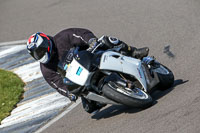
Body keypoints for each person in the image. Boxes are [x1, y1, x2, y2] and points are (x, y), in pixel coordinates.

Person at [26, 28, 149, 113]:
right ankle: (112, 94)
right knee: (89, 108)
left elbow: (82, 34)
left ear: (46, 43)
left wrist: (91, 41)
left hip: (91, 56)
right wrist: (69, 93)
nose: (40, 55)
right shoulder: (46, 69)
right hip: (80, 78)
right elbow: (58, 84)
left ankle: (133, 51)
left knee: (108, 40)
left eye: (40, 51)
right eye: (36, 54)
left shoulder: (62, 37)